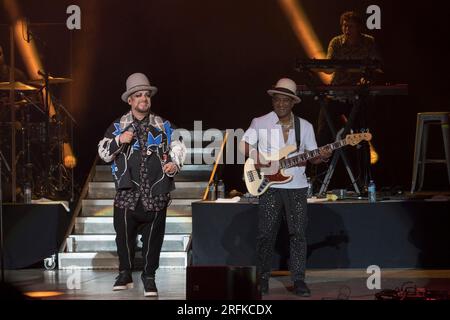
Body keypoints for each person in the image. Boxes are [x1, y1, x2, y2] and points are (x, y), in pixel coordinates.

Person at [239, 78, 331, 297]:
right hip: (269, 186)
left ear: (293, 102)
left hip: (297, 187)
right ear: (273, 101)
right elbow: (243, 144)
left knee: (298, 234)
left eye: (285, 101)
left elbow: (313, 157)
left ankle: (298, 280)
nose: (280, 104)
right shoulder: (260, 122)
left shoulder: (305, 126)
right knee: (265, 234)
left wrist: (323, 157)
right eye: (277, 100)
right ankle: (261, 278)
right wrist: (258, 158)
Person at [97, 73, 186, 297]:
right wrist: (119, 140)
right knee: (123, 236)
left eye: (146, 95)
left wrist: (174, 164)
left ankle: (149, 277)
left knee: (154, 239)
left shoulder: (163, 125)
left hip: (156, 191)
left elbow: (179, 145)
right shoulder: (118, 126)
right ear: (130, 100)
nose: (143, 98)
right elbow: (104, 152)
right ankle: (125, 273)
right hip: (128, 192)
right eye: (138, 95)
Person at [317, 10, 381, 146]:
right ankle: (321, 164)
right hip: (337, 95)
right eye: (344, 26)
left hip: (358, 96)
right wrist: (315, 66)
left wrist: (367, 78)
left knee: (362, 138)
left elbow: (376, 67)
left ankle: (362, 165)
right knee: (323, 132)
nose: (347, 29)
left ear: (358, 27)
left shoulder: (368, 42)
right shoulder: (336, 43)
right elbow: (329, 70)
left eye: (350, 26)